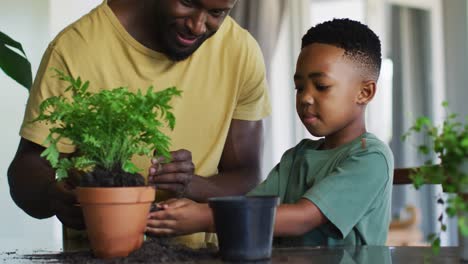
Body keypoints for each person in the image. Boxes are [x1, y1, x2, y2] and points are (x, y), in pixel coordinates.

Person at [7, 0, 271, 248]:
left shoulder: (241, 51)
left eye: (217, 13)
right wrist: (53, 195)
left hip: (201, 256)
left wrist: (191, 184)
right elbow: (25, 171)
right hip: (97, 255)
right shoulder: (76, 48)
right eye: (187, 2)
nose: (197, 26)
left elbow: (248, 175)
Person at [146, 18, 394, 246]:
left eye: (321, 86)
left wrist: (203, 217)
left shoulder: (371, 158)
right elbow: (249, 208)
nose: (306, 98)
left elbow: (303, 218)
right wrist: (188, 194)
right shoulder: (297, 157)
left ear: (365, 92)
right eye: (299, 87)